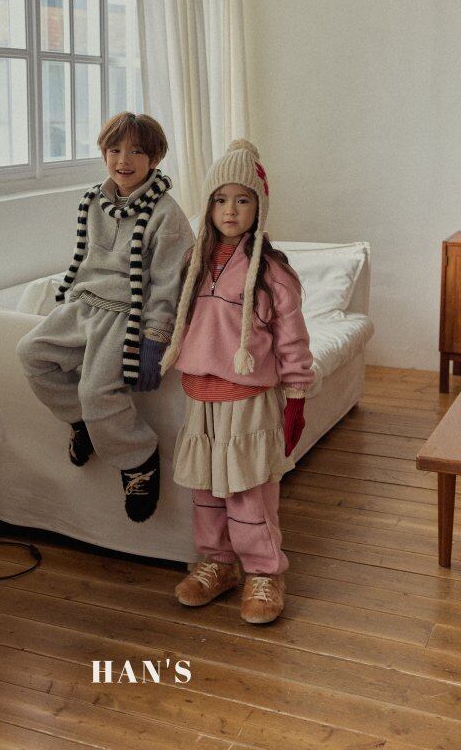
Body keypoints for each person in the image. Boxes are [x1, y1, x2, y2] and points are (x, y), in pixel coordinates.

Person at [160, 139, 313, 623]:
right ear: (208, 206)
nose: (230, 210)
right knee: (206, 489)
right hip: (200, 395)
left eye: (243, 200)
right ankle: (218, 563)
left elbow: (293, 340)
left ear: (259, 207)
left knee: (249, 491)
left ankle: (265, 572)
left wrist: (296, 396)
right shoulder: (193, 262)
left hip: (249, 398)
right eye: (220, 199)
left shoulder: (272, 273)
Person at [17, 112, 193, 523]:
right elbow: (84, 260)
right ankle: (81, 421)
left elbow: (169, 282)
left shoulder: (168, 215)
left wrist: (156, 337)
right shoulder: (93, 200)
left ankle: (138, 458)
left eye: (136, 151)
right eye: (115, 150)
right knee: (31, 353)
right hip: (84, 303)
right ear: (104, 154)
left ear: (155, 158)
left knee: (98, 390)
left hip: (127, 314)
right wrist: (65, 304)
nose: (123, 160)